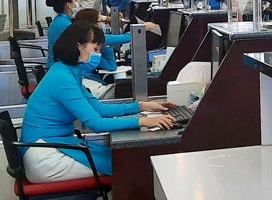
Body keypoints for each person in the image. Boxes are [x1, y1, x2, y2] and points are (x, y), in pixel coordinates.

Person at [19, 22, 176, 183]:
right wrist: (143, 121)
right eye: (95, 49)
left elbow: (98, 108)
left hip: (56, 145)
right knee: (127, 163)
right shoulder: (62, 78)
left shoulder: (69, 70)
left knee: (121, 157)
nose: (98, 54)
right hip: (45, 156)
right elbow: (96, 124)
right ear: (78, 46)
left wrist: (141, 106)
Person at [73, 9, 156, 99]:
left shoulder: (89, 49)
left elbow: (110, 66)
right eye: (101, 21)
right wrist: (143, 27)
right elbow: (125, 37)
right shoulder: (92, 41)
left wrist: (107, 46)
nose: (104, 24)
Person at [45, 0, 77, 68]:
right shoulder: (65, 24)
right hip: (59, 66)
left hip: (55, 65)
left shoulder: (59, 20)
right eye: (75, 0)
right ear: (68, 5)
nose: (77, 3)